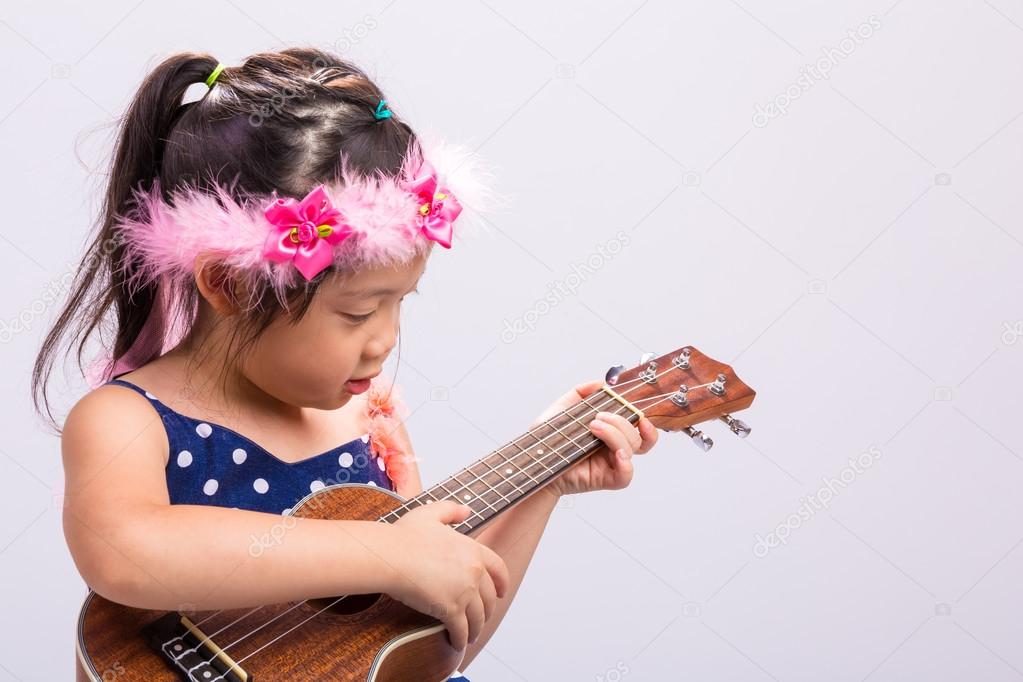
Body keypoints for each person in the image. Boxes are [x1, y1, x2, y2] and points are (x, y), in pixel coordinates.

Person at [33, 48, 658, 680]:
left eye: (398, 307)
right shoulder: (126, 420)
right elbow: (125, 553)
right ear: (227, 283)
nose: (385, 341)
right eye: (358, 314)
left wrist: (541, 477)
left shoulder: (369, 417)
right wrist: (379, 551)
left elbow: (425, 644)